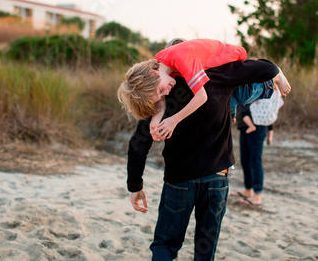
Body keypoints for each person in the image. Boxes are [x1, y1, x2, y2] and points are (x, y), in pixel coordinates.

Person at [126, 58, 280, 260]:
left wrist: (135, 185)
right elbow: (260, 72)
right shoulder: (218, 76)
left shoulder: (160, 92)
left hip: (179, 180)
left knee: (165, 244)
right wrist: (277, 79)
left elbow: (138, 144)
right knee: (205, 251)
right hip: (216, 177)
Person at [118, 38, 291, 141]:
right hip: (209, 64)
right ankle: (230, 112)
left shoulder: (180, 59)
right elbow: (161, 98)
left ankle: (275, 76)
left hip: (227, 58)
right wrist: (156, 121)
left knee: (241, 91)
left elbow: (202, 97)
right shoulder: (160, 64)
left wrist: (174, 120)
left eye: (160, 91)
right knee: (226, 103)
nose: (166, 93)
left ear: (152, 73)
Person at [232, 85, 283, 206]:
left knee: (255, 161)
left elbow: (269, 109)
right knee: (245, 159)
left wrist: (270, 130)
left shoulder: (264, 86)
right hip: (245, 127)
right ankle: (248, 190)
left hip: (259, 126)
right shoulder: (250, 85)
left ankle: (257, 195)